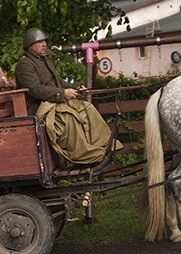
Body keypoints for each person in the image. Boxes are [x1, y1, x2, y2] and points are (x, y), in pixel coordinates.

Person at [14, 28, 121, 165]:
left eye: (44, 41)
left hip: (53, 102)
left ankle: (104, 147)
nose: (44, 44)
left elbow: (58, 80)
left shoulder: (43, 59)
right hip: (38, 108)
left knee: (87, 108)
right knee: (69, 118)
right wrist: (63, 93)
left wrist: (75, 87)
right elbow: (36, 90)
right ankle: (86, 157)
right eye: (39, 42)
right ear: (30, 45)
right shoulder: (25, 64)